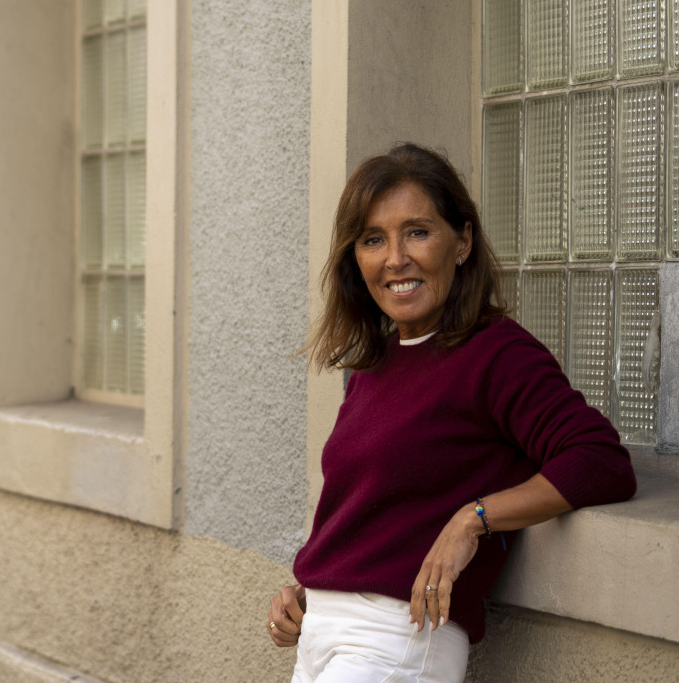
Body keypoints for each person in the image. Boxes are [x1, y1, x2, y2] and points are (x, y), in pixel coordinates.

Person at [266, 143, 636, 682]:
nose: (395, 258)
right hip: (323, 633)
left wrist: (473, 519)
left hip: (398, 639)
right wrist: (314, 586)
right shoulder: (379, 362)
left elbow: (600, 460)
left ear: (462, 241)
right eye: (373, 239)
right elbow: (379, 511)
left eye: (417, 232)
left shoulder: (497, 354)